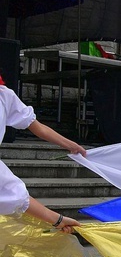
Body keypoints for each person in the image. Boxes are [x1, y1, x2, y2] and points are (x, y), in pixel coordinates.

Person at [1, 75, 85, 233]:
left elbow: (37, 126)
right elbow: (14, 195)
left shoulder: (4, 96)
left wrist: (71, 145)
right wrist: (56, 219)